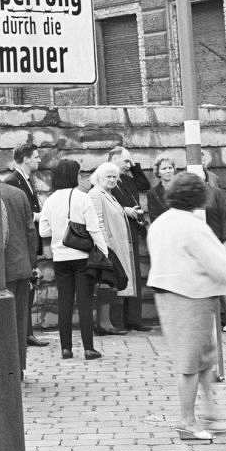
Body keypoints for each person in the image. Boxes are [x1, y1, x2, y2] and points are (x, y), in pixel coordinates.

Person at [148, 172, 226, 442]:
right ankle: (187, 421)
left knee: (205, 357)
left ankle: (210, 411)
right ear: (199, 196)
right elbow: (217, 262)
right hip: (190, 296)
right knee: (191, 363)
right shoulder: (193, 226)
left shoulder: (162, 222)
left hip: (170, 294)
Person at [39, 158, 108, 360]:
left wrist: (58, 233)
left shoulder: (50, 200)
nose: (81, 177)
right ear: (72, 175)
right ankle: (88, 348)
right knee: (85, 302)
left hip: (60, 258)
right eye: (78, 173)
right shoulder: (82, 197)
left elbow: (43, 230)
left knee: (65, 302)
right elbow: (94, 228)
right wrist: (104, 252)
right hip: (82, 257)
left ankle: (66, 349)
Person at [3, 143, 47, 349]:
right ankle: (26, 333)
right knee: (23, 294)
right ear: (26, 158)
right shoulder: (13, 181)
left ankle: (28, 332)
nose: (39, 160)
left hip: (30, 240)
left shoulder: (27, 180)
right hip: (21, 246)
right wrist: (39, 216)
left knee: (28, 291)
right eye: (36, 157)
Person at [89, 161, 139, 335]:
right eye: (108, 176)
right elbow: (98, 220)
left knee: (111, 284)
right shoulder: (96, 194)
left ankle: (108, 322)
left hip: (116, 246)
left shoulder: (108, 194)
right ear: (99, 177)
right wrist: (105, 248)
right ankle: (103, 323)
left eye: (114, 177)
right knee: (106, 284)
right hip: (108, 247)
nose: (112, 180)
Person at [104, 147, 151, 331]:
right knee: (119, 276)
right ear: (113, 159)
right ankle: (118, 321)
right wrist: (124, 211)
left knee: (134, 277)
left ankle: (134, 319)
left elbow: (144, 185)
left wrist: (134, 167)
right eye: (125, 161)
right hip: (116, 234)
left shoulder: (128, 179)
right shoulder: (105, 178)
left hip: (132, 231)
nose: (128, 165)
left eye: (129, 161)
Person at [0, 179, 36, 374]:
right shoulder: (18, 193)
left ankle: (5, 367)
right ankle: (18, 366)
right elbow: (30, 230)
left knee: (1, 321)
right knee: (20, 320)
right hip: (21, 265)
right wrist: (31, 264)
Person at [146, 156, 178, 222]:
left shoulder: (182, 189)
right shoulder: (152, 193)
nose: (168, 171)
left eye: (170, 168)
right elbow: (154, 218)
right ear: (158, 172)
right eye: (164, 169)